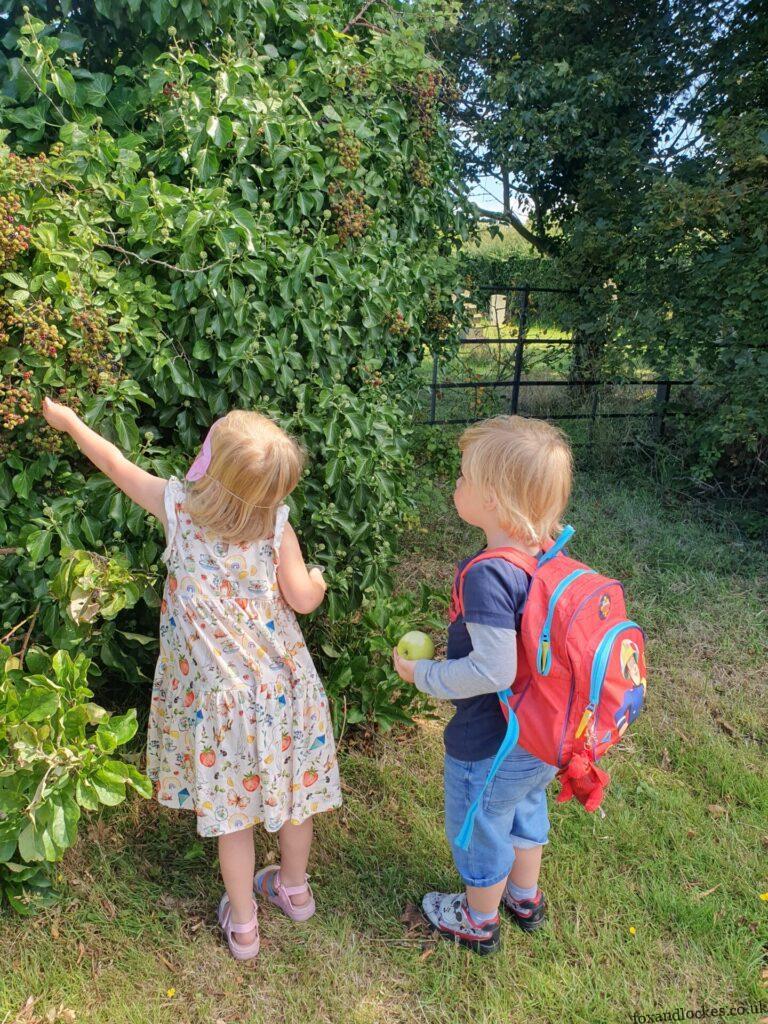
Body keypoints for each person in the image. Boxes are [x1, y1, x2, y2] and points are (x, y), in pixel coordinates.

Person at [41, 399, 342, 961]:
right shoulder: (277, 525)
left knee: (236, 820)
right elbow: (303, 598)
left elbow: (112, 461)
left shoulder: (176, 508)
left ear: (211, 465)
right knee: (296, 801)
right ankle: (295, 891)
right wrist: (319, 580)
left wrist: (70, 422)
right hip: (285, 690)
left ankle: (246, 927)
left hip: (221, 702)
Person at [393, 415, 573, 955]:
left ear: (491, 499)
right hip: (540, 731)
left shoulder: (488, 574)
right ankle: (524, 896)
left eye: (464, 478)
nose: (456, 486)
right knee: (524, 810)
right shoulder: (545, 554)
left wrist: (424, 674)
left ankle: (478, 919)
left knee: (481, 825)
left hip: (490, 742)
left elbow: (492, 671)